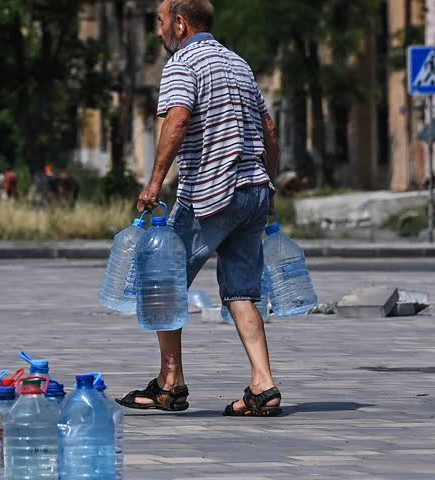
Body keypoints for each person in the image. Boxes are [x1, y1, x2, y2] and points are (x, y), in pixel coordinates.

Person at [117, 0, 282, 417]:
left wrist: (155, 180)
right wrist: (271, 186)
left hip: (210, 192)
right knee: (242, 291)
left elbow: (178, 120)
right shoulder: (238, 64)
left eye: (159, 22)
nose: (158, 33)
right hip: (253, 192)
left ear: (179, 22)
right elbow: (269, 129)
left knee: (163, 282)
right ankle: (264, 385)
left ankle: (170, 384)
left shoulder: (182, 63)